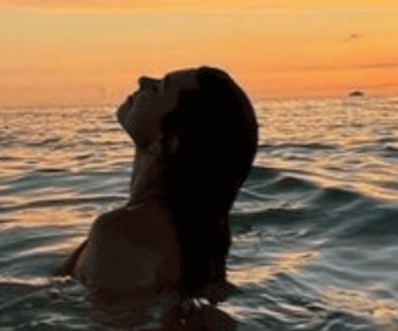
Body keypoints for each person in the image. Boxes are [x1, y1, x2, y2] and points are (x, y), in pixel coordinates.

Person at [56, 66, 258, 297]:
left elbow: (113, 319)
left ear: (166, 142)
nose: (143, 80)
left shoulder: (125, 232)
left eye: (161, 87)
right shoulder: (183, 240)